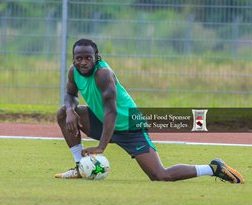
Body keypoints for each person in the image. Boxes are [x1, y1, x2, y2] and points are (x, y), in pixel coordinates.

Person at [55, 38, 244, 183]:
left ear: (97, 57)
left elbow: (111, 112)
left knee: (160, 176)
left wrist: (101, 147)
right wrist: (71, 109)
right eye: (79, 58)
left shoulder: (103, 75)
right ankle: (80, 166)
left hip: (130, 125)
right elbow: (70, 95)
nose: (83, 62)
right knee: (63, 113)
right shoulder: (73, 71)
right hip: (101, 120)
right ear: (74, 59)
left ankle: (213, 168)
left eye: (88, 57)